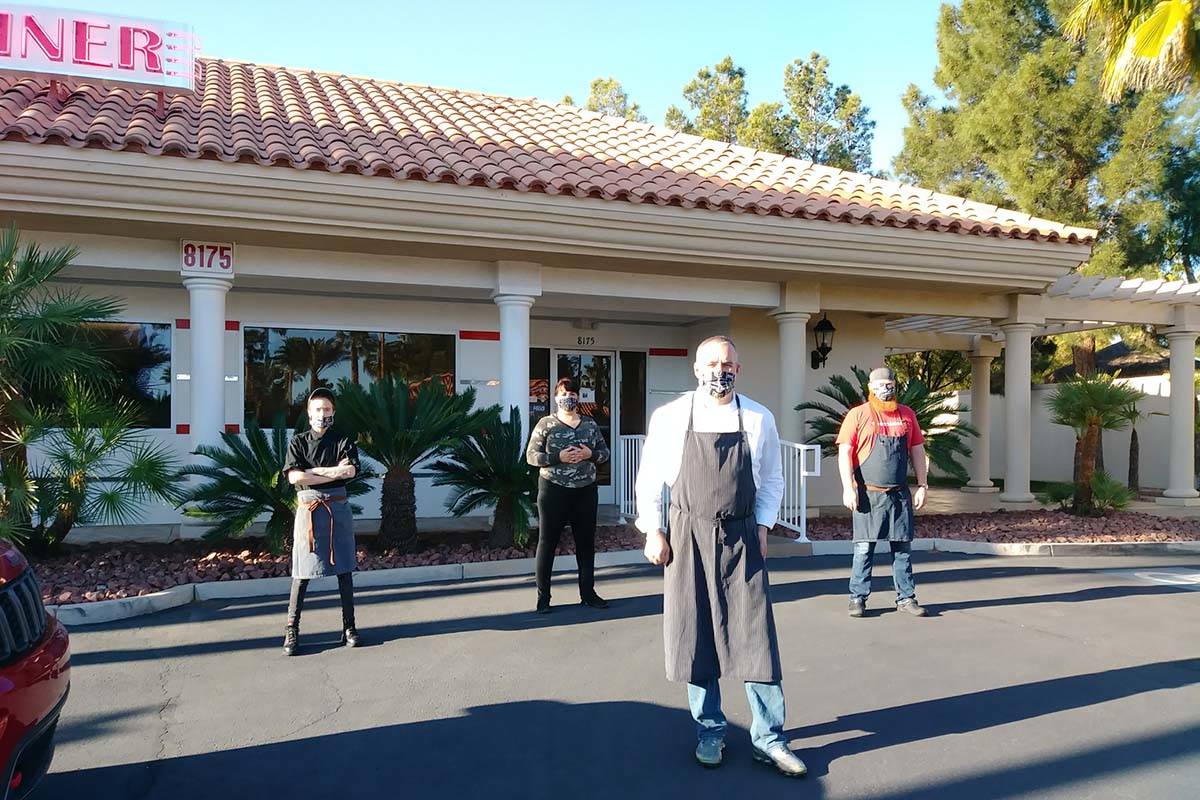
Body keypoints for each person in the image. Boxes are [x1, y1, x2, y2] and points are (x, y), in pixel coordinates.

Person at [635, 335, 806, 777]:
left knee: (756, 637)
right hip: (687, 533)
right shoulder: (672, 417)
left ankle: (769, 738)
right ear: (696, 369)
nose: (720, 369)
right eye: (711, 362)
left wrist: (764, 525)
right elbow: (651, 477)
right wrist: (654, 530)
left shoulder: (758, 418)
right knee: (696, 636)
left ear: (739, 369)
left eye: (727, 362)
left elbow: (771, 479)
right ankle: (710, 729)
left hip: (743, 535)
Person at [836, 366, 929, 619]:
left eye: (890, 384)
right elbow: (844, 451)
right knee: (864, 549)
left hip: (899, 496)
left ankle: (906, 598)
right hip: (868, 494)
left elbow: (918, 450)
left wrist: (922, 485)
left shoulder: (907, 415)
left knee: (902, 548)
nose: (886, 389)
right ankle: (857, 598)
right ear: (870, 388)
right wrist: (848, 488)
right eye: (880, 385)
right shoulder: (858, 415)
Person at [281, 388, 362, 656]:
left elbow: (349, 471)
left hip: (337, 509)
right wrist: (332, 473)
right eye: (318, 409)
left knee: (344, 569)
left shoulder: (343, 440)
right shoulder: (298, 442)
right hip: (309, 510)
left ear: (333, 412)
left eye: (327, 409)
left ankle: (349, 627)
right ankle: (292, 630)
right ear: (309, 413)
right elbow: (294, 478)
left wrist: (312, 472)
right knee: (302, 572)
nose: (322, 414)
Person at [525, 377, 611, 613]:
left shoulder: (590, 425)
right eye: (564, 393)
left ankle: (588, 593)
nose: (568, 398)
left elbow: (605, 453)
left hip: (585, 491)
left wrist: (590, 454)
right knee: (547, 543)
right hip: (553, 490)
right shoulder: (546, 424)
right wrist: (557, 458)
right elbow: (531, 456)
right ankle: (543, 597)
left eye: (572, 394)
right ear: (555, 397)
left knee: (585, 544)